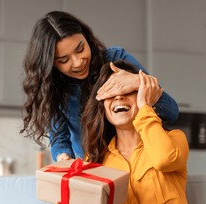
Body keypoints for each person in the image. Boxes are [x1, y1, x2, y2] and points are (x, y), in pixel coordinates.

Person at [54, 60, 205, 204]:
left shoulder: (173, 139)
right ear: (102, 106)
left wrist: (144, 107)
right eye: (110, 91)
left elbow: (164, 160)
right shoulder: (95, 163)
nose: (118, 95)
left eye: (128, 89)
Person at [20, 11, 179, 162]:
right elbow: (59, 140)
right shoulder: (53, 87)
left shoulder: (116, 59)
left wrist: (139, 81)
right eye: (63, 60)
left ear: (86, 37)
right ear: (51, 65)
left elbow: (171, 112)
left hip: (138, 165)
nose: (78, 62)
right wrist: (64, 158)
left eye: (80, 49)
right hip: (94, 171)